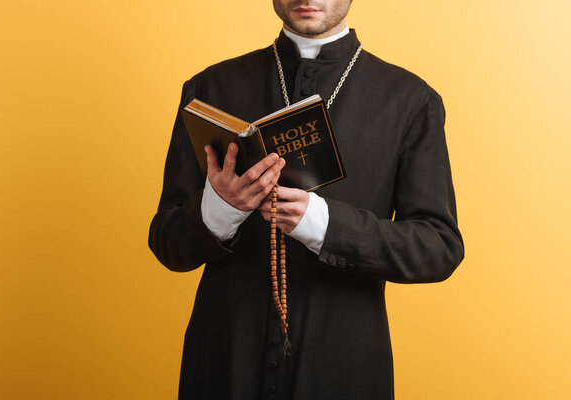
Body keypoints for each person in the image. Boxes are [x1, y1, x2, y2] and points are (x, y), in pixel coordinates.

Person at [148, 0, 465, 398]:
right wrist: (222, 207)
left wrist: (323, 223)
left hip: (341, 364)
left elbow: (438, 247)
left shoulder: (411, 100)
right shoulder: (209, 89)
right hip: (224, 359)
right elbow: (167, 244)